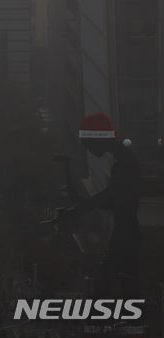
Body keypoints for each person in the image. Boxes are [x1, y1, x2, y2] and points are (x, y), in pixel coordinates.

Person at [53, 112, 142, 297]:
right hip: (125, 233)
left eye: (89, 145)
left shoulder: (125, 165)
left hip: (126, 235)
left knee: (108, 283)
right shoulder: (124, 162)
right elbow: (103, 202)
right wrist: (68, 173)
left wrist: (73, 212)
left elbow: (103, 199)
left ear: (99, 139)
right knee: (114, 282)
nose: (89, 150)